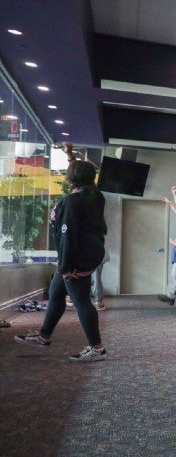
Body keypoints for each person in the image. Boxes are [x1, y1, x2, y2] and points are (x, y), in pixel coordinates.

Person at [15, 143, 108, 361]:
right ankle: (44, 336)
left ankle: (97, 347)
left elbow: (68, 235)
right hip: (86, 252)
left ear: (72, 178)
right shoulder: (94, 195)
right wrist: (69, 156)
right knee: (56, 293)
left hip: (76, 258)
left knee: (81, 301)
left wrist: (67, 267)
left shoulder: (73, 201)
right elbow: (81, 178)